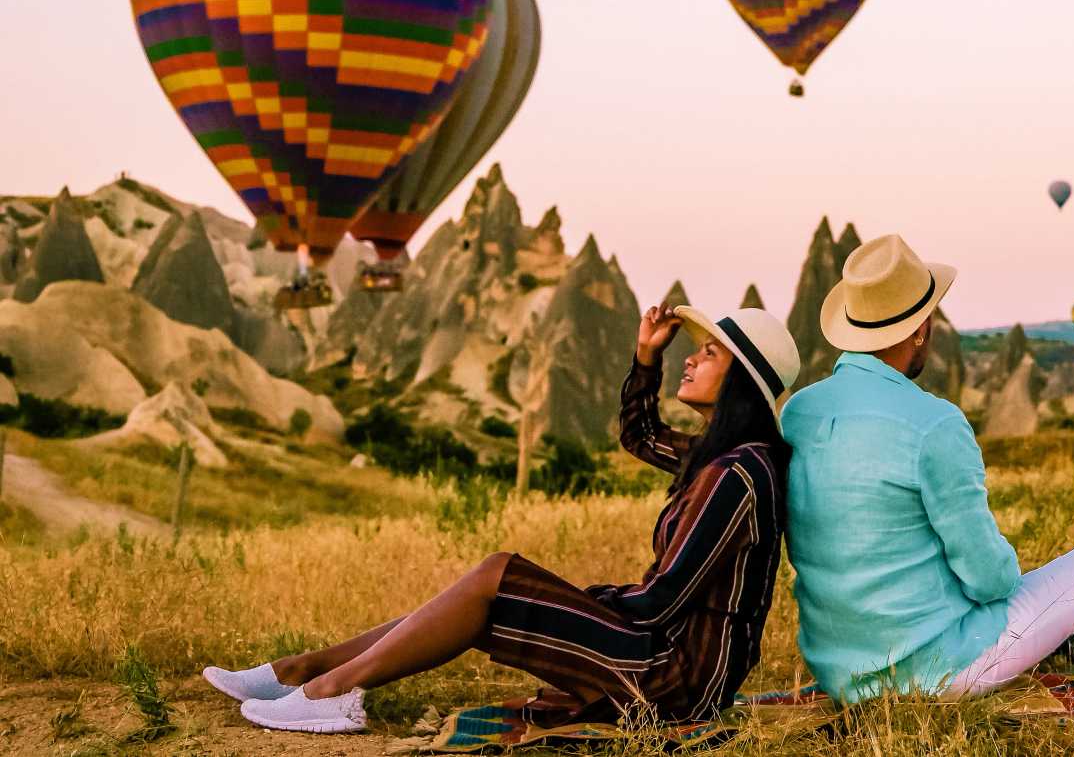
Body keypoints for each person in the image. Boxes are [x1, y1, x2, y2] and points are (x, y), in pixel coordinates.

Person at [201, 302, 799, 734]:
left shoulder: (737, 476)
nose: (691, 359)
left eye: (709, 353)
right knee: (489, 587)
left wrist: (575, 600)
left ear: (742, 382)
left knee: (497, 576)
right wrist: (647, 357)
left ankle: (331, 690)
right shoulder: (713, 457)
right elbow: (639, 433)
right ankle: (300, 671)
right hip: (659, 651)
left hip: (676, 677)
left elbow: (661, 601)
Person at [780, 234, 1074, 705]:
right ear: (920, 329)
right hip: (940, 670)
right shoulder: (934, 423)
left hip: (840, 669)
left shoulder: (799, 412)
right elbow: (991, 580)